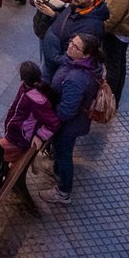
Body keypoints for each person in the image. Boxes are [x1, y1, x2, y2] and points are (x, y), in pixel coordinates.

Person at [29, 32, 104, 206]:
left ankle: (63, 193)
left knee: (64, 155)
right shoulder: (82, 65)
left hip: (68, 126)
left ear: (86, 55)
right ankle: (56, 171)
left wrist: (49, 120)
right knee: (61, 153)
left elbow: (67, 111)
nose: (70, 46)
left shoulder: (77, 79)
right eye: (71, 41)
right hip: (72, 122)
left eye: (75, 46)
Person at [40, 0, 108, 81]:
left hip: (58, 70)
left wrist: (59, 60)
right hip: (51, 61)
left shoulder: (93, 27)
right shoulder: (76, 7)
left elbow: (83, 55)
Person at [0, 62, 61, 164]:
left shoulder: (37, 101)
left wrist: (40, 136)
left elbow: (54, 123)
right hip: (15, 134)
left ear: (22, 78)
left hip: (19, 139)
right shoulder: (26, 88)